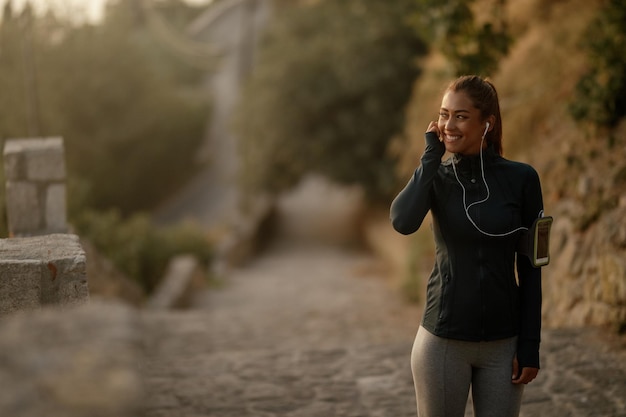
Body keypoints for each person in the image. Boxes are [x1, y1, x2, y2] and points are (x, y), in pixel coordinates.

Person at [390, 75, 544, 417]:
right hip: (442, 342)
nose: (448, 125)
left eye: (460, 116)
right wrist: (431, 156)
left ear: (487, 122)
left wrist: (530, 344)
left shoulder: (523, 180)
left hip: (503, 346)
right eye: (444, 114)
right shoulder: (437, 178)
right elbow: (402, 221)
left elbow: (533, 266)